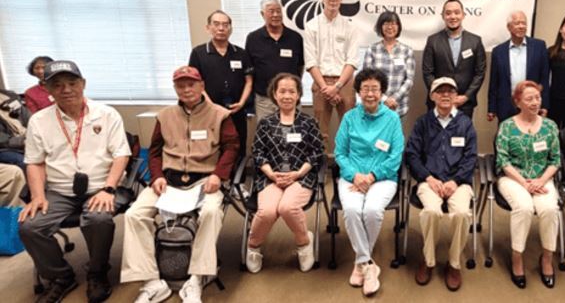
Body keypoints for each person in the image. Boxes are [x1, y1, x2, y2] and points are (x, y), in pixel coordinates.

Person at [121, 66, 239, 303]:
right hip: (168, 181)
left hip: (205, 180)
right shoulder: (164, 116)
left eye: (191, 84)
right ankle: (152, 281)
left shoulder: (220, 114)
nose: (187, 90)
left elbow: (231, 148)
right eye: (181, 85)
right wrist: (157, 177)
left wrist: (218, 175)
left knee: (211, 212)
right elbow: (154, 152)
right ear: (175, 88)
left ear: (202, 86)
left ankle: (196, 278)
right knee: (134, 214)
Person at [19, 60, 131, 303]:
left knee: (98, 218)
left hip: (101, 185)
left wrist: (108, 188)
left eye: (72, 83)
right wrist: (38, 196)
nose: (66, 89)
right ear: (47, 90)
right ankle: (60, 276)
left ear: (83, 84)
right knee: (30, 226)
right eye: (57, 85)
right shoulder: (39, 121)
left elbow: (121, 154)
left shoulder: (107, 114)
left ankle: (97, 272)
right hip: (59, 191)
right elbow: (35, 162)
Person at [334, 68, 403, 297]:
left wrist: (371, 176)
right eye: (365, 89)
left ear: (382, 91)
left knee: (372, 210)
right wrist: (355, 176)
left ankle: (359, 262)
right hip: (352, 177)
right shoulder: (349, 117)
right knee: (352, 209)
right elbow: (340, 153)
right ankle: (368, 264)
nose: (370, 94)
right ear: (358, 92)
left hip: (382, 178)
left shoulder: (392, 119)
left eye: (375, 89)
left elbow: (395, 156)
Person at [245, 73, 323, 273]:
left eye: (292, 91)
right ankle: (253, 246)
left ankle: (304, 243)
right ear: (274, 94)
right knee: (268, 211)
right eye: (282, 91)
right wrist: (271, 174)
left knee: (288, 207)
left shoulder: (308, 122)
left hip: (301, 177)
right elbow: (258, 152)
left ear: (298, 95)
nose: (287, 95)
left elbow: (317, 153)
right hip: (270, 177)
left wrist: (297, 173)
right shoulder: (266, 123)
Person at [406, 77, 477, 292]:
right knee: (431, 212)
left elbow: (471, 157)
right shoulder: (422, 123)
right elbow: (412, 155)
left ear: (456, 97)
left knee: (462, 214)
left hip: (459, 182)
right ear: (432, 96)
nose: (445, 95)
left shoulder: (465, 124)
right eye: (440, 91)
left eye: (450, 91)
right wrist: (428, 178)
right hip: (430, 181)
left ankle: (454, 263)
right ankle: (428, 261)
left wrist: (456, 181)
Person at [495, 80, 560, 289]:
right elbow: (503, 161)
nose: (534, 102)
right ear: (518, 102)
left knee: (550, 209)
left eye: (537, 98)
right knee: (523, 208)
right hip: (513, 178)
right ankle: (517, 258)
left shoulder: (550, 126)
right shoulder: (507, 126)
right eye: (529, 99)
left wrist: (541, 180)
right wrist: (524, 183)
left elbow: (555, 160)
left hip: (543, 179)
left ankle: (547, 258)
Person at [304, 0, 360, 149]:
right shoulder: (311, 26)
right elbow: (311, 61)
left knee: (349, 130)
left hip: (345, 82)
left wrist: (336, 86)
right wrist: (325, 87)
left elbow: (352, 61)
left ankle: (347, 171)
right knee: (320, 131)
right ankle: (320, 172)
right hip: (321, 82)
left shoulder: (350, 27)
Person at [189, 10, 254, 156]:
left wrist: (242, 103)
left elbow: (249, 81)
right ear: (208, 27)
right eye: (216, 24)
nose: (221, 28)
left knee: (238, 145)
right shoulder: (198, 53)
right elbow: (196, 83)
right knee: (212, 147)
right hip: (208, 111)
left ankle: (239, 178)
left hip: (236, 110)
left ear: (230, 29)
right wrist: (210, 105)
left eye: (225, 25)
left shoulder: (241, 53)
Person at [422, 0, 486, 117]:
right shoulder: (433, 41)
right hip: (438, 103)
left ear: (463, 15)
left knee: (462, 135)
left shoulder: (475, 41)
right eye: (448, 13)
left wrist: (466, 96)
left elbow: (480, 73)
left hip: (464, 105)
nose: (453, 16)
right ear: (443, 16)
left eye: (457, 12)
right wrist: (440, 96)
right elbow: (427, 73)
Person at [245, 0, 305, 121]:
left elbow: (300, 66)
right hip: (264, 99)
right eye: (271, 11)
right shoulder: (253, 38)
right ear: (262, 14)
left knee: (294, 133)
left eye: (278, 11)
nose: (276, 15)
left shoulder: (295, 37)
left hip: (290, 98)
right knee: (267, 134)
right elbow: (249, 70)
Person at [488, 11, 550, 123]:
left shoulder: (539, 46)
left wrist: (544, 104)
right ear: (509, 27)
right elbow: (494, 83)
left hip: (531, 104)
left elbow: (544, 78)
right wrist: (491, 108)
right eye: (517, 23)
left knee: (530, 137)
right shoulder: (498, 51)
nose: (521, 26)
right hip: (506, 105)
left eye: (524, 23)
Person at [362, 11, 415, 118]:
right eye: (386, 24)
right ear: (380, 27)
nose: (390, 27)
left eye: (393, 24)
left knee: (395, 135)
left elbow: (409, 80)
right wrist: (385, 99)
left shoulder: (407, 51)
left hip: (398, 107)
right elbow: (367, 78)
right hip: (375, 105)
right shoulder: (372, 49)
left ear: (398, 27)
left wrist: (394, 99)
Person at [0, 89, 29, 170]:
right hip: (4, 148)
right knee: (25, 161)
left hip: (26, 136)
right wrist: (22, 141)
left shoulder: (9, 95)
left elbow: (28, 117)